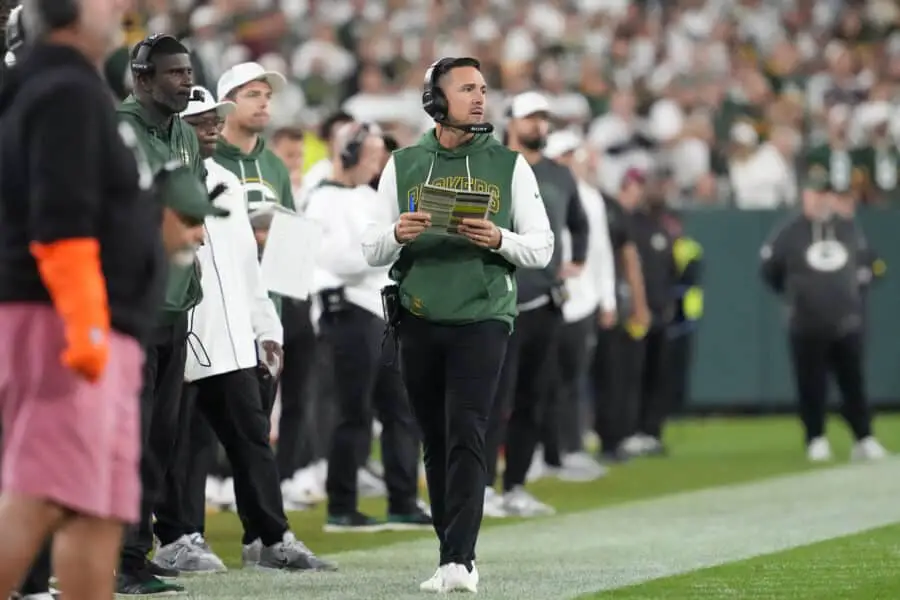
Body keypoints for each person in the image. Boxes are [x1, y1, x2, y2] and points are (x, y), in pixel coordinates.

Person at [0, 1, 224, 598]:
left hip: (102, 316)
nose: (117, 7)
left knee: (95, 502)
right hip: (70, 319)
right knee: (45, 490)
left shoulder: (72, 87)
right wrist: (88, 329)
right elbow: (62, 226)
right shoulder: (65, 90)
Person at [361, 56, 553, 593]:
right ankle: (450, 551)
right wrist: (398, 231)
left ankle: (460, 558)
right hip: (419, 315)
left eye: (483, 89)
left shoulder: (510, 165)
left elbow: (542, 246)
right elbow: (370, 246)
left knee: (468, 430)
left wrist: (500, 240)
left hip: (484, 315)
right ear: (435, 99)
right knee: (435, 438)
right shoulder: (402, 164)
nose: (479, 98)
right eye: (467, 88)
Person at [165, 86, 335, 573]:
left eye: (216, 120)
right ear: (177, 126)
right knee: (183, 448)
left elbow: (246, 269)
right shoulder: (160, 182)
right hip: (183, 337)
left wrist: (267, 328)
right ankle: (179, 537)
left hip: (234, 340)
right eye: (200, 122)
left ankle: (270, 538)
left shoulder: (227, 183)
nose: (213, 129)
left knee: (253, 442)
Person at [115, 31, 207, 595]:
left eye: (188, 71)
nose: (186, 80)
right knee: (128, 438)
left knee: (160, 439)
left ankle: (136, 551)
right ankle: (117, 558)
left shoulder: (182, 131)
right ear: (142, 78)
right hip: (133, 305)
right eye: (174, 73)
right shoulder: (119, 131)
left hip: (176, 303)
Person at [306, 122, 428, 532]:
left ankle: (403, 499)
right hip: (347, 313)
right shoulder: (322, 199)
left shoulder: (368, 198)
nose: (378, 164)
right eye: (373, 155)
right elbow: (336, 258)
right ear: (349, 154)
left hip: (381, 312)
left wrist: (387, 245)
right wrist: (388, 244)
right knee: (353, 412)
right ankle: (341, 507)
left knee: (400, 411)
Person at [482, 92, 590, 519]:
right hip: (498, 301)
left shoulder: (561, 176)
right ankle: (484, 487)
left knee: (532, 399)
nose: (539, 126)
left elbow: (579, 224)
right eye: (532, 118)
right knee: (492, 400)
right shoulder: (491, 165)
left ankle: (517, 485)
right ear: (511, 121)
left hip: (545, 301)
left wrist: (576, 260)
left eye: (544, 119)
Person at [760, 168, 887, 463]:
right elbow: (770, 271)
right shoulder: (789, 231)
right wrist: (797, 295)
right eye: (815, 193)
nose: (820, 200)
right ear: (805, 195)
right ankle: (816, 437)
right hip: (806, 323)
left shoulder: (847, 228)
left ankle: (863, 437)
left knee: (853, 384)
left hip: (846, 321)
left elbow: (868, 263)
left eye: (824, 193)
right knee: (812, 385)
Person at [543, 130, 616, 473]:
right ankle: (545, 451)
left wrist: (608, 299)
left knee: (574, 380)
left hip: (583, 300)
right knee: (543, 380)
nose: (569, 162)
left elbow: (601, 252)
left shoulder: (591, 198)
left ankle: (571, 447)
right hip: (547, 299)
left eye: (573, 155)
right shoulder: (540, 192)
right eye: (563, 156)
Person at [613, 169, 679, 457]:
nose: (641, 192)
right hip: (634, 313)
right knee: (630, 374)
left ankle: (650, 431)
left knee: (657, 374)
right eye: (636, 186)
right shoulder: (627, 224)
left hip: (660, 312)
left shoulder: (661, 227)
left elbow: (670, 270)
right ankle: (627, 430)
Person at [269, 126, 320, 497]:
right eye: (289, 156)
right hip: (271, 301)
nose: (296, 163)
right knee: (263, 396)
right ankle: (228, 477)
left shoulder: (310, 193)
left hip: (302, 300)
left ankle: (285, 475)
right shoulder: (265, 194)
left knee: (299, 398)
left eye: (299, 156)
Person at [592, 170, 650, 464]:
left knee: (612, 373)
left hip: (607, 299)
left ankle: (611, 439)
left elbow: (629, 257)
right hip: (571, 299)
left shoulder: (611, 208)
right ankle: (562, 446)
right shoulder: (558, 196)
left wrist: (640, 303)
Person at [297, 110, 354, 209]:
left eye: (351, 136)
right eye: (340, 137)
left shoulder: (368, 173)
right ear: (328, 141)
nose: (347, 142)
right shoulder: (316, 176)